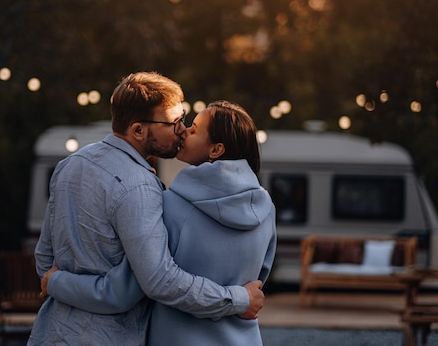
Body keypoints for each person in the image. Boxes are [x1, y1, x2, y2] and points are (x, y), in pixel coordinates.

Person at [27, 73, 264, 346]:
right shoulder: (140, 185)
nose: (182, 130)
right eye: (174, 123)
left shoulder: (69, 164)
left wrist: (57, 283)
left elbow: (45, 259)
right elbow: (159, 281)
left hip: (51, 335)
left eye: (183, 118)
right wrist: (237, 299)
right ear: (138, 130)